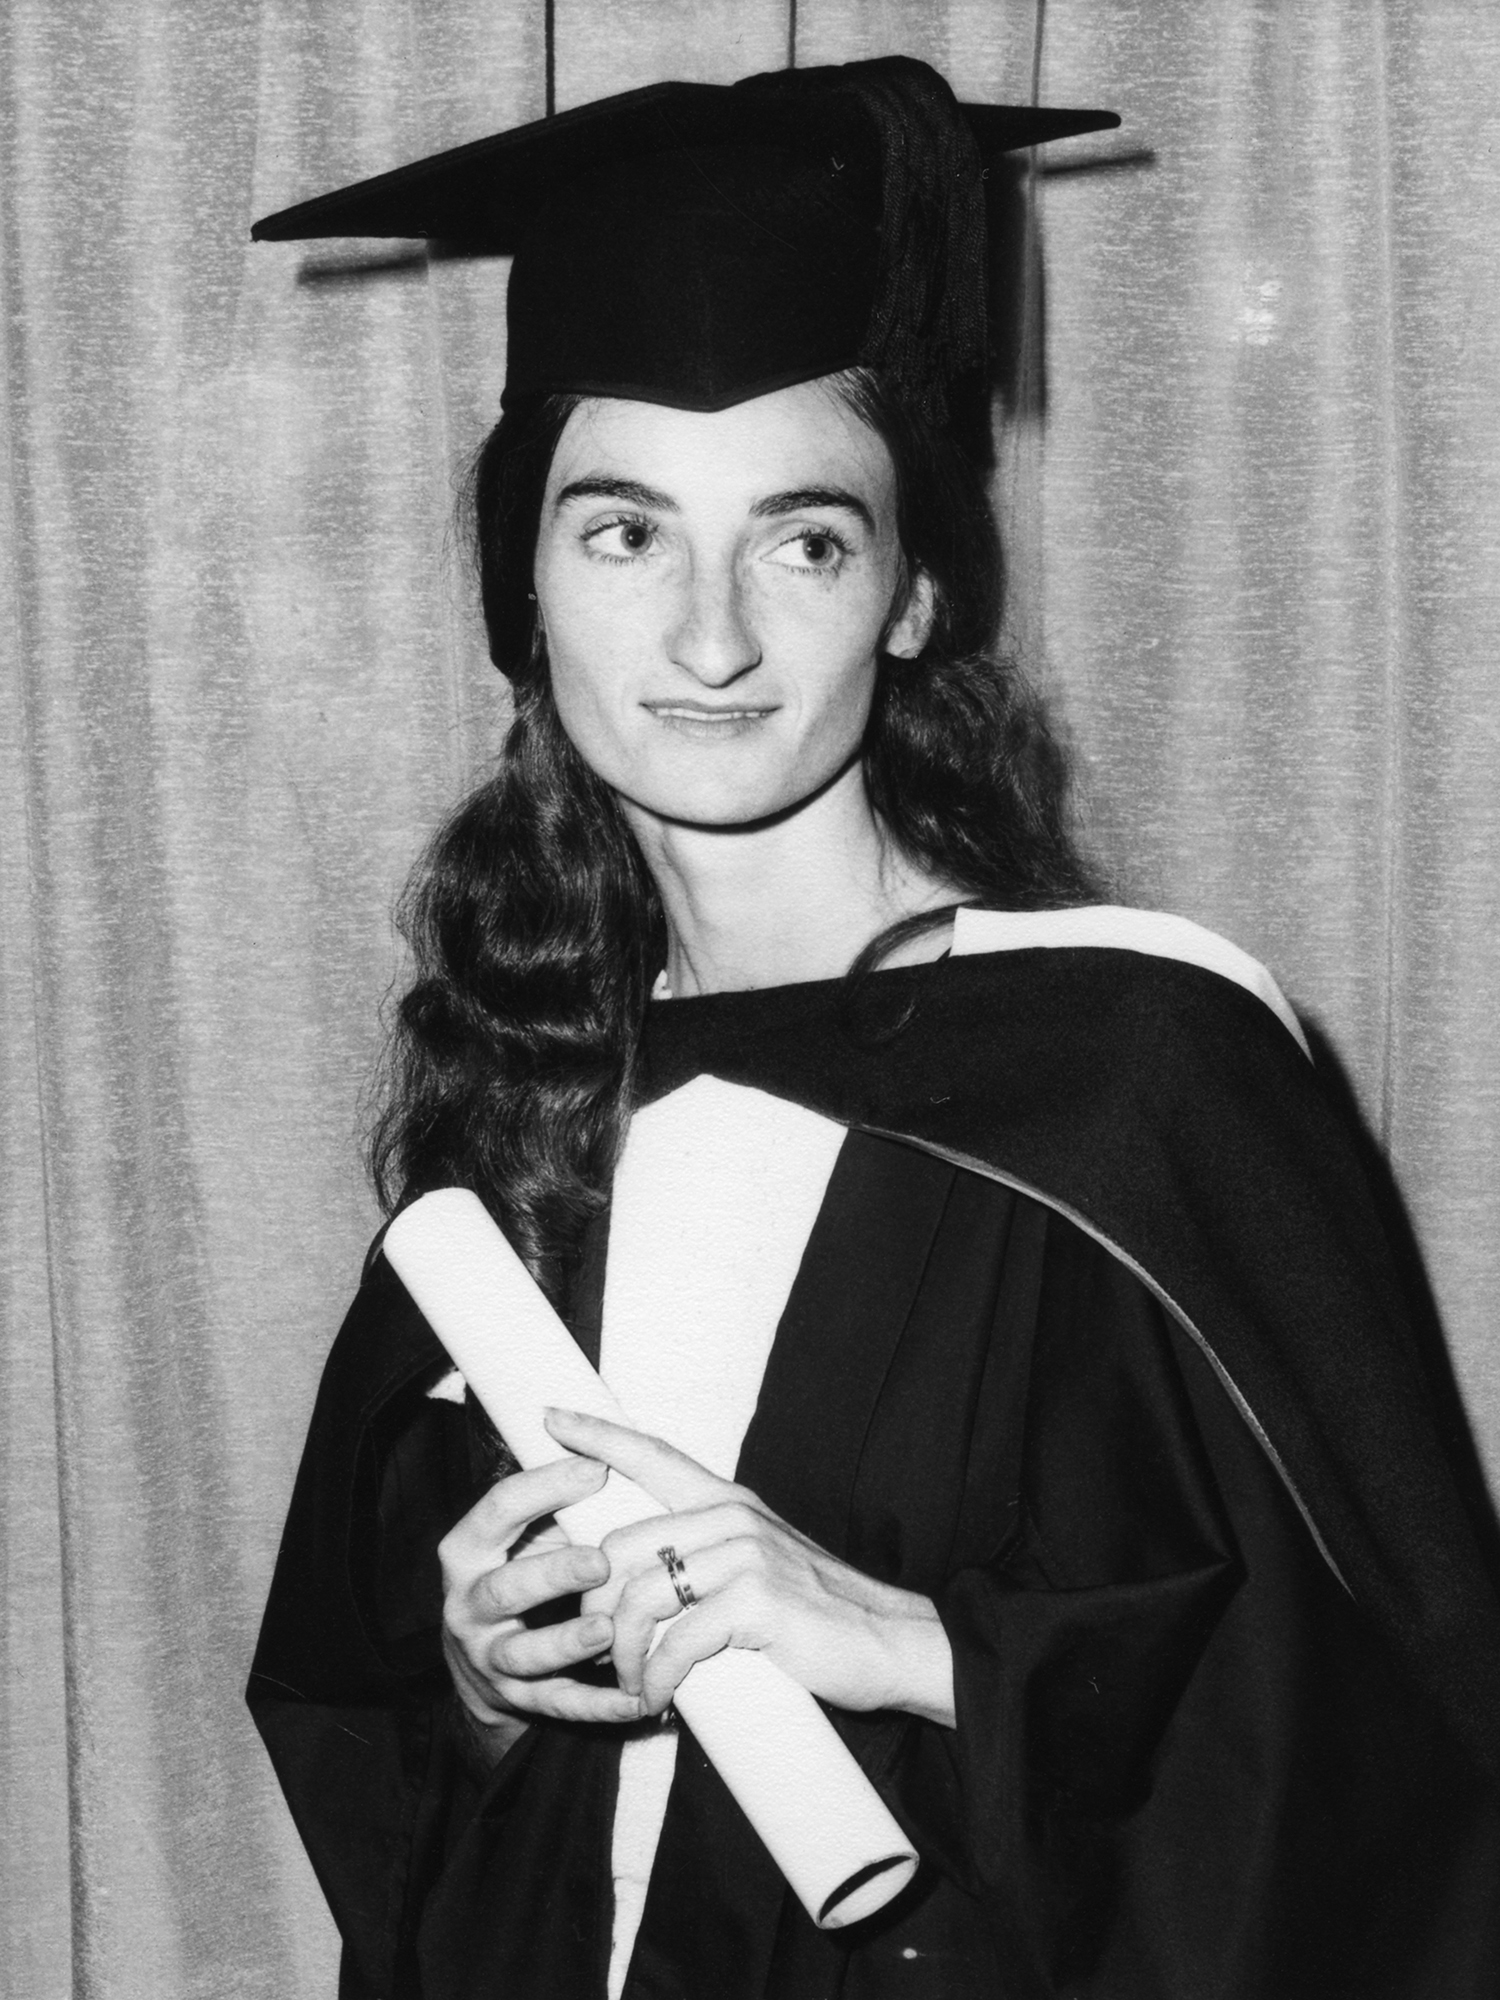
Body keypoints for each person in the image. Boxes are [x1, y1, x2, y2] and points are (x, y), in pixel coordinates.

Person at [247, 57, 1500, 2000]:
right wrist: (493, 1679)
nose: (714, 637)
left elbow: (1407, 1737)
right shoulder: (525, 1106)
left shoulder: (1137, 1074)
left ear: (913, 593)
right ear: (523, 586)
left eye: (806, 538)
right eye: (624, 532)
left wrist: (912, 1645)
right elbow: (362, 1712)